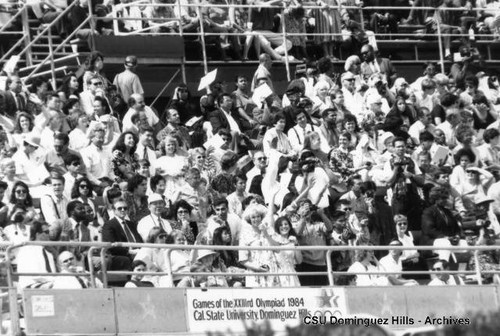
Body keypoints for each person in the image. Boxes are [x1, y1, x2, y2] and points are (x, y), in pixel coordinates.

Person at [272, 216, 301, 287]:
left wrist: (296, 244)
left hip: (291, 274)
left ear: (290, 226)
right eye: (281, 225)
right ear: (278, 228)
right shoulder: (274, 239)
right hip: (278, 274)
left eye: (286, 224)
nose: (284, 226)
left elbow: (299, 261)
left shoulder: (293, 240)